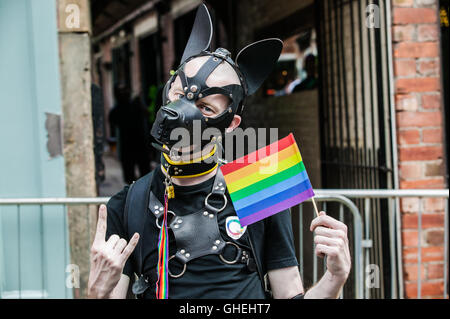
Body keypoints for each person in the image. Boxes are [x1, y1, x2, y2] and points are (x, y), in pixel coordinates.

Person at [88, 4, 350, 299]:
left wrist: (334, 278)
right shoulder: (127, 205)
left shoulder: (259, 186)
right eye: (180, 95)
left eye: (205, 108)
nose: (182, 113)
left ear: (230, 124)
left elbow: (289, 292)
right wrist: (98, 290)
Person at [109, 85, 151, 184]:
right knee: (134, 173)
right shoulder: (124, 108)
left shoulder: (132, 106)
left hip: (136, 143)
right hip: (134, 144)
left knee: (141, 172)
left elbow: (112, 120)